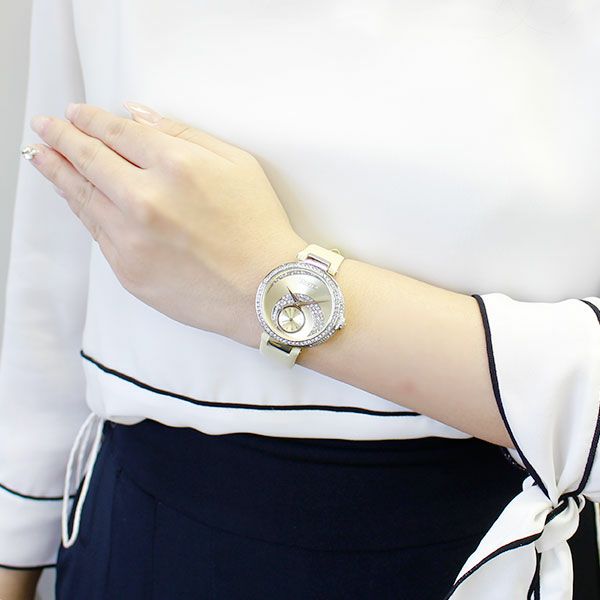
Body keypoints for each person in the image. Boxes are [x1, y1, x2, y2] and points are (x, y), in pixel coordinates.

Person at [1, 1, 600, 598]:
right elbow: (62, 233)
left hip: (500, 531)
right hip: (149, 521)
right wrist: (14, 533)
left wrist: (260, 279)